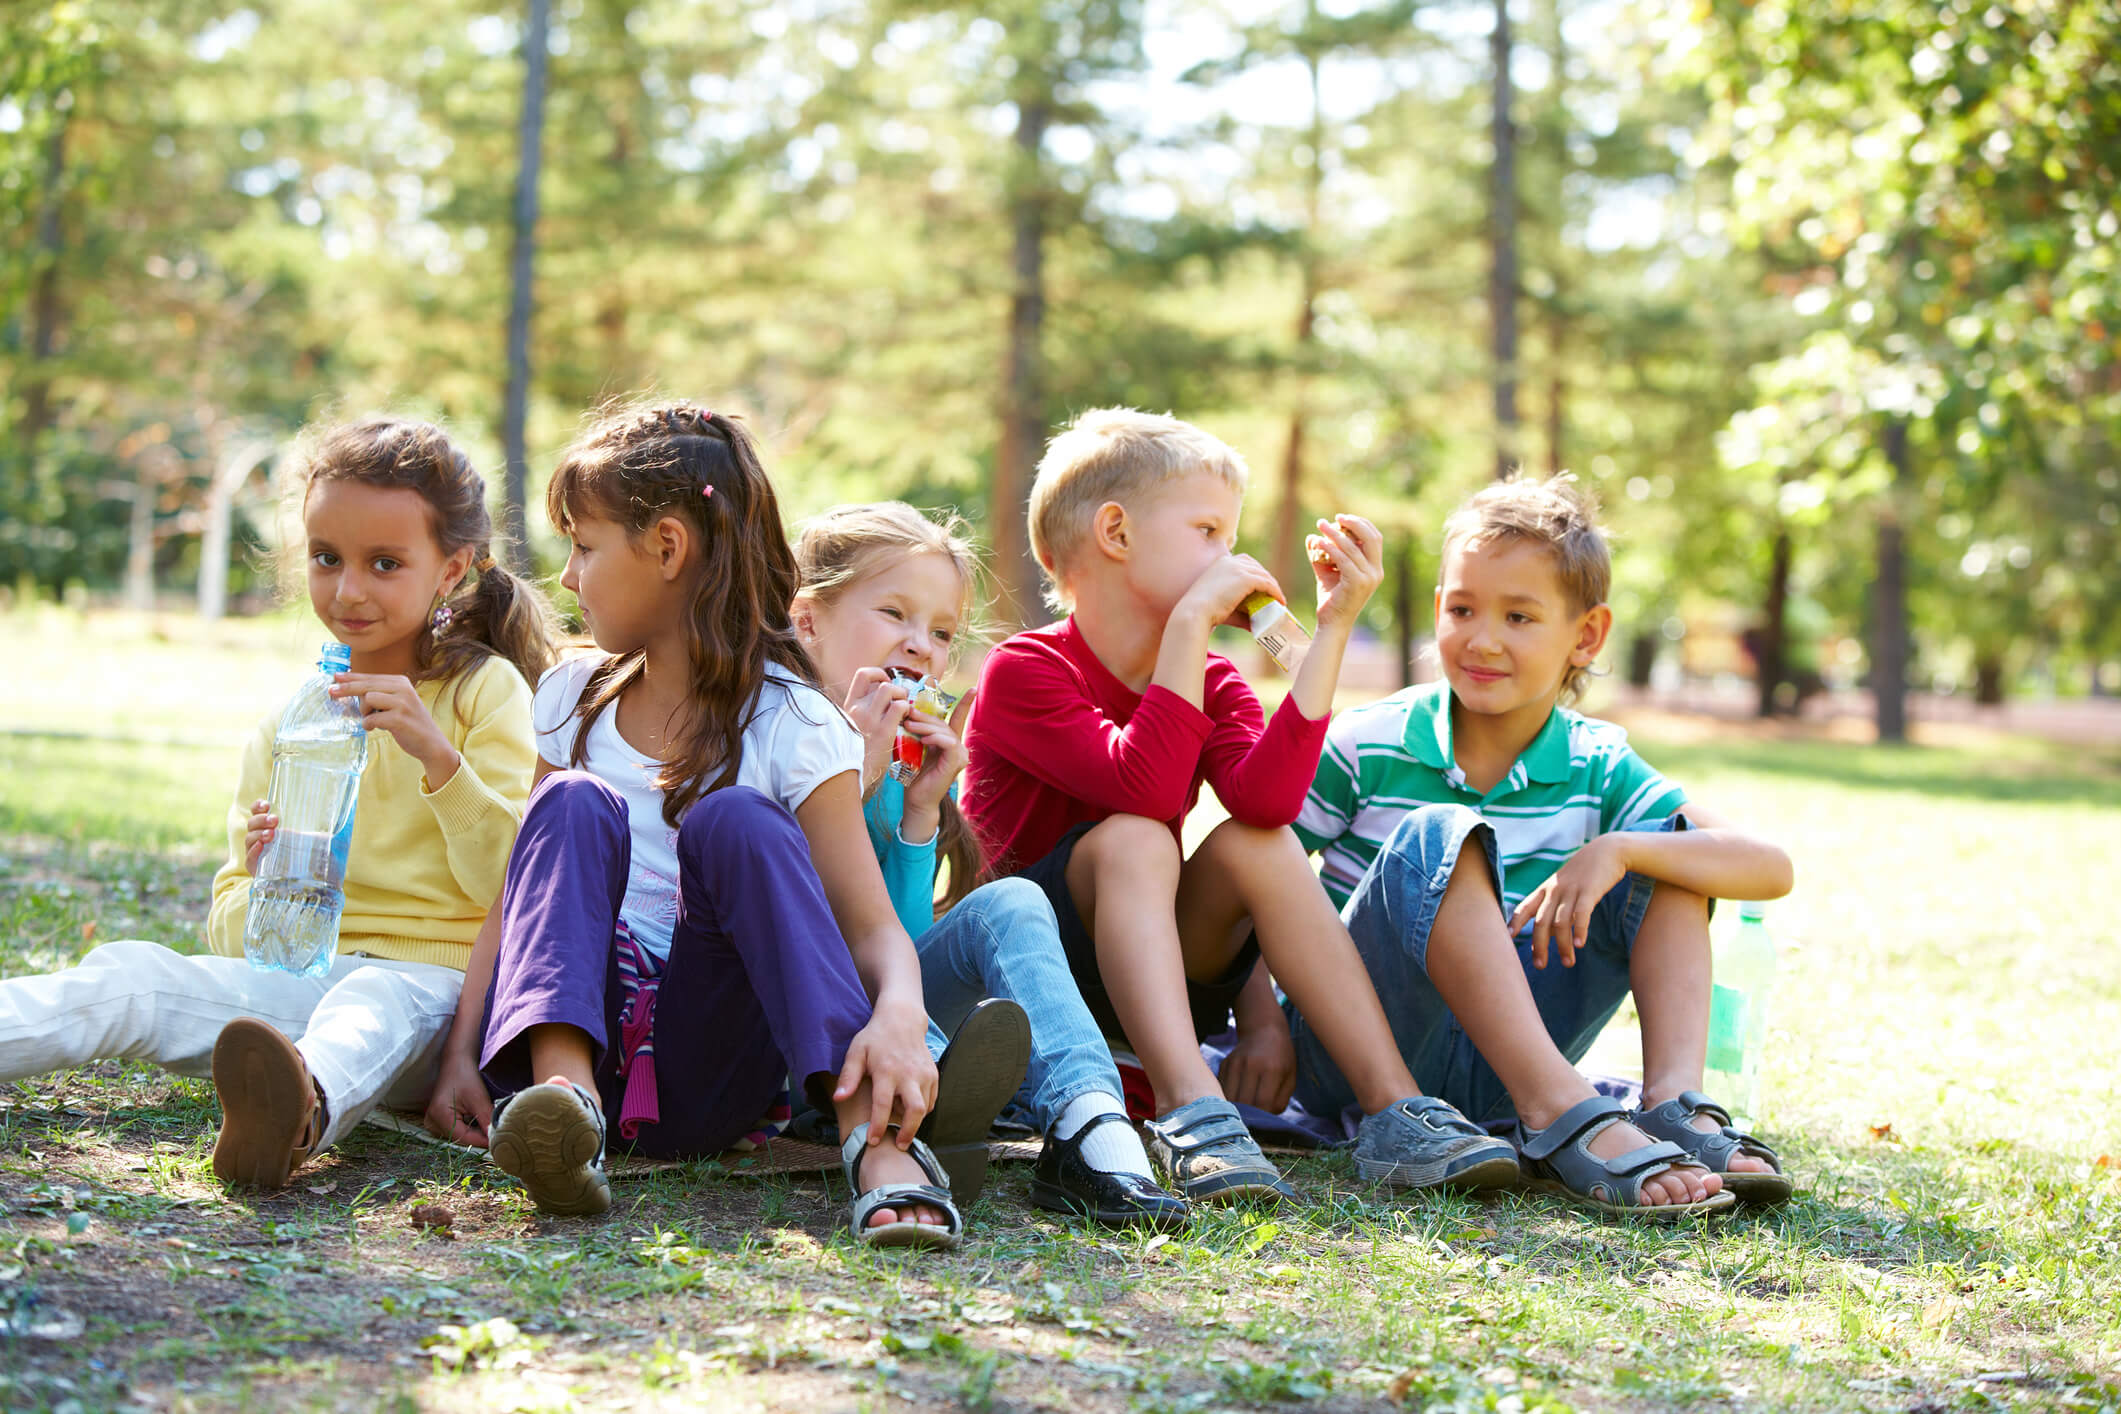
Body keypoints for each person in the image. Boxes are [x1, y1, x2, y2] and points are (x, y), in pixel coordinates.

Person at [425, 403, 1012, 1251]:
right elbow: (522, 898)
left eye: (584, 548)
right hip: (586, 1041)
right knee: (570, 804)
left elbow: (867, 926)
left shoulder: (799, 724)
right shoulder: (568, 700)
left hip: (711, 1062)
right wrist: (459, 1052)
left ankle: (873, 1141)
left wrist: (897, 1018)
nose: (566, 578)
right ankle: (566, 1109)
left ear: (667, 548)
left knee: (739, 818)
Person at [962, 408, 1523, 1204]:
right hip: (1027, 968)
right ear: (1115, 532)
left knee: (1255, 844)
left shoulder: (1215, 680)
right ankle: (1194, 1113)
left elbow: (1268, 802)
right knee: (1135, 838)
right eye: (1208, 533)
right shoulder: (1024, 668)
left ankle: (1394, 1110)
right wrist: (1193, 618)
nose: (1233, 559)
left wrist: (1329, 632)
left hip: (1148, 960)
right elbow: (1143, 790)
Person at [0, 417, 557, 1189]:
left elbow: (512, 886)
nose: (348, 589)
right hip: (305, 982)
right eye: (327, 558)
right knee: (131, 975)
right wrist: (264, 883)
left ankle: (298, 1114)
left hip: (436, 999)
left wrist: (438, 758)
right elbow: (232, 927)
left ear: (451, 569)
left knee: (371, 1000)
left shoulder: (481, 693)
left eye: (385, 563)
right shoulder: (295, 720)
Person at [1292, 474, 1796, 1219]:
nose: (1482, 639)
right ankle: (1563, 1112)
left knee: (1672, 857)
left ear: (1585, 636)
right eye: (1461, 609)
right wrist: (1262, 1025)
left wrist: (1621, 848)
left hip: (1502, 1063)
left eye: (1520, 616)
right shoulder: (1365, 742)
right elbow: (1253, 867)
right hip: (1362, 1050)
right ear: (1437, 610)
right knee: (1442, 833)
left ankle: (1671, 1107)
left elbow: (1768, 865)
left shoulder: (1596, 764)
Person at [791, 501, 1189, 1228]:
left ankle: (1090, 1123)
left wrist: (916, 816)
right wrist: (851, 779)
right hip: (794, 1030)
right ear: (808, 618)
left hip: (888, 1007)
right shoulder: (775, 730)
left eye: (940, 633)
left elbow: (898, 945)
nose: (919, 647)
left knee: (1010, 904)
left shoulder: (898, 754)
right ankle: (905, 1093)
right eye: (893, 614)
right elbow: (796, 923)